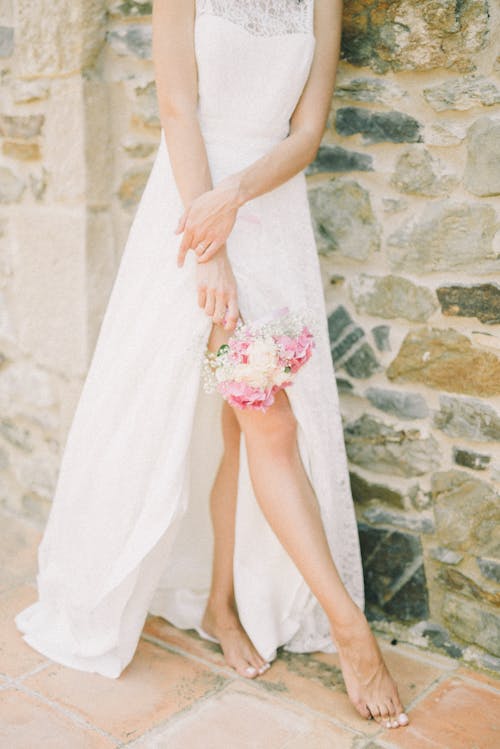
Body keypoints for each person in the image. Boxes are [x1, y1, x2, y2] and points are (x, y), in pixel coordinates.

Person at [15, 0, 409, 731]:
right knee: (268, 421)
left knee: (248, 425)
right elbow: (177, 105)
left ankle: (220, 600)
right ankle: (351, 630)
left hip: (268, 214)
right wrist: (212, 245)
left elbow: (308, 130)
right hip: (192, 219)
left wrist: (239, 195)